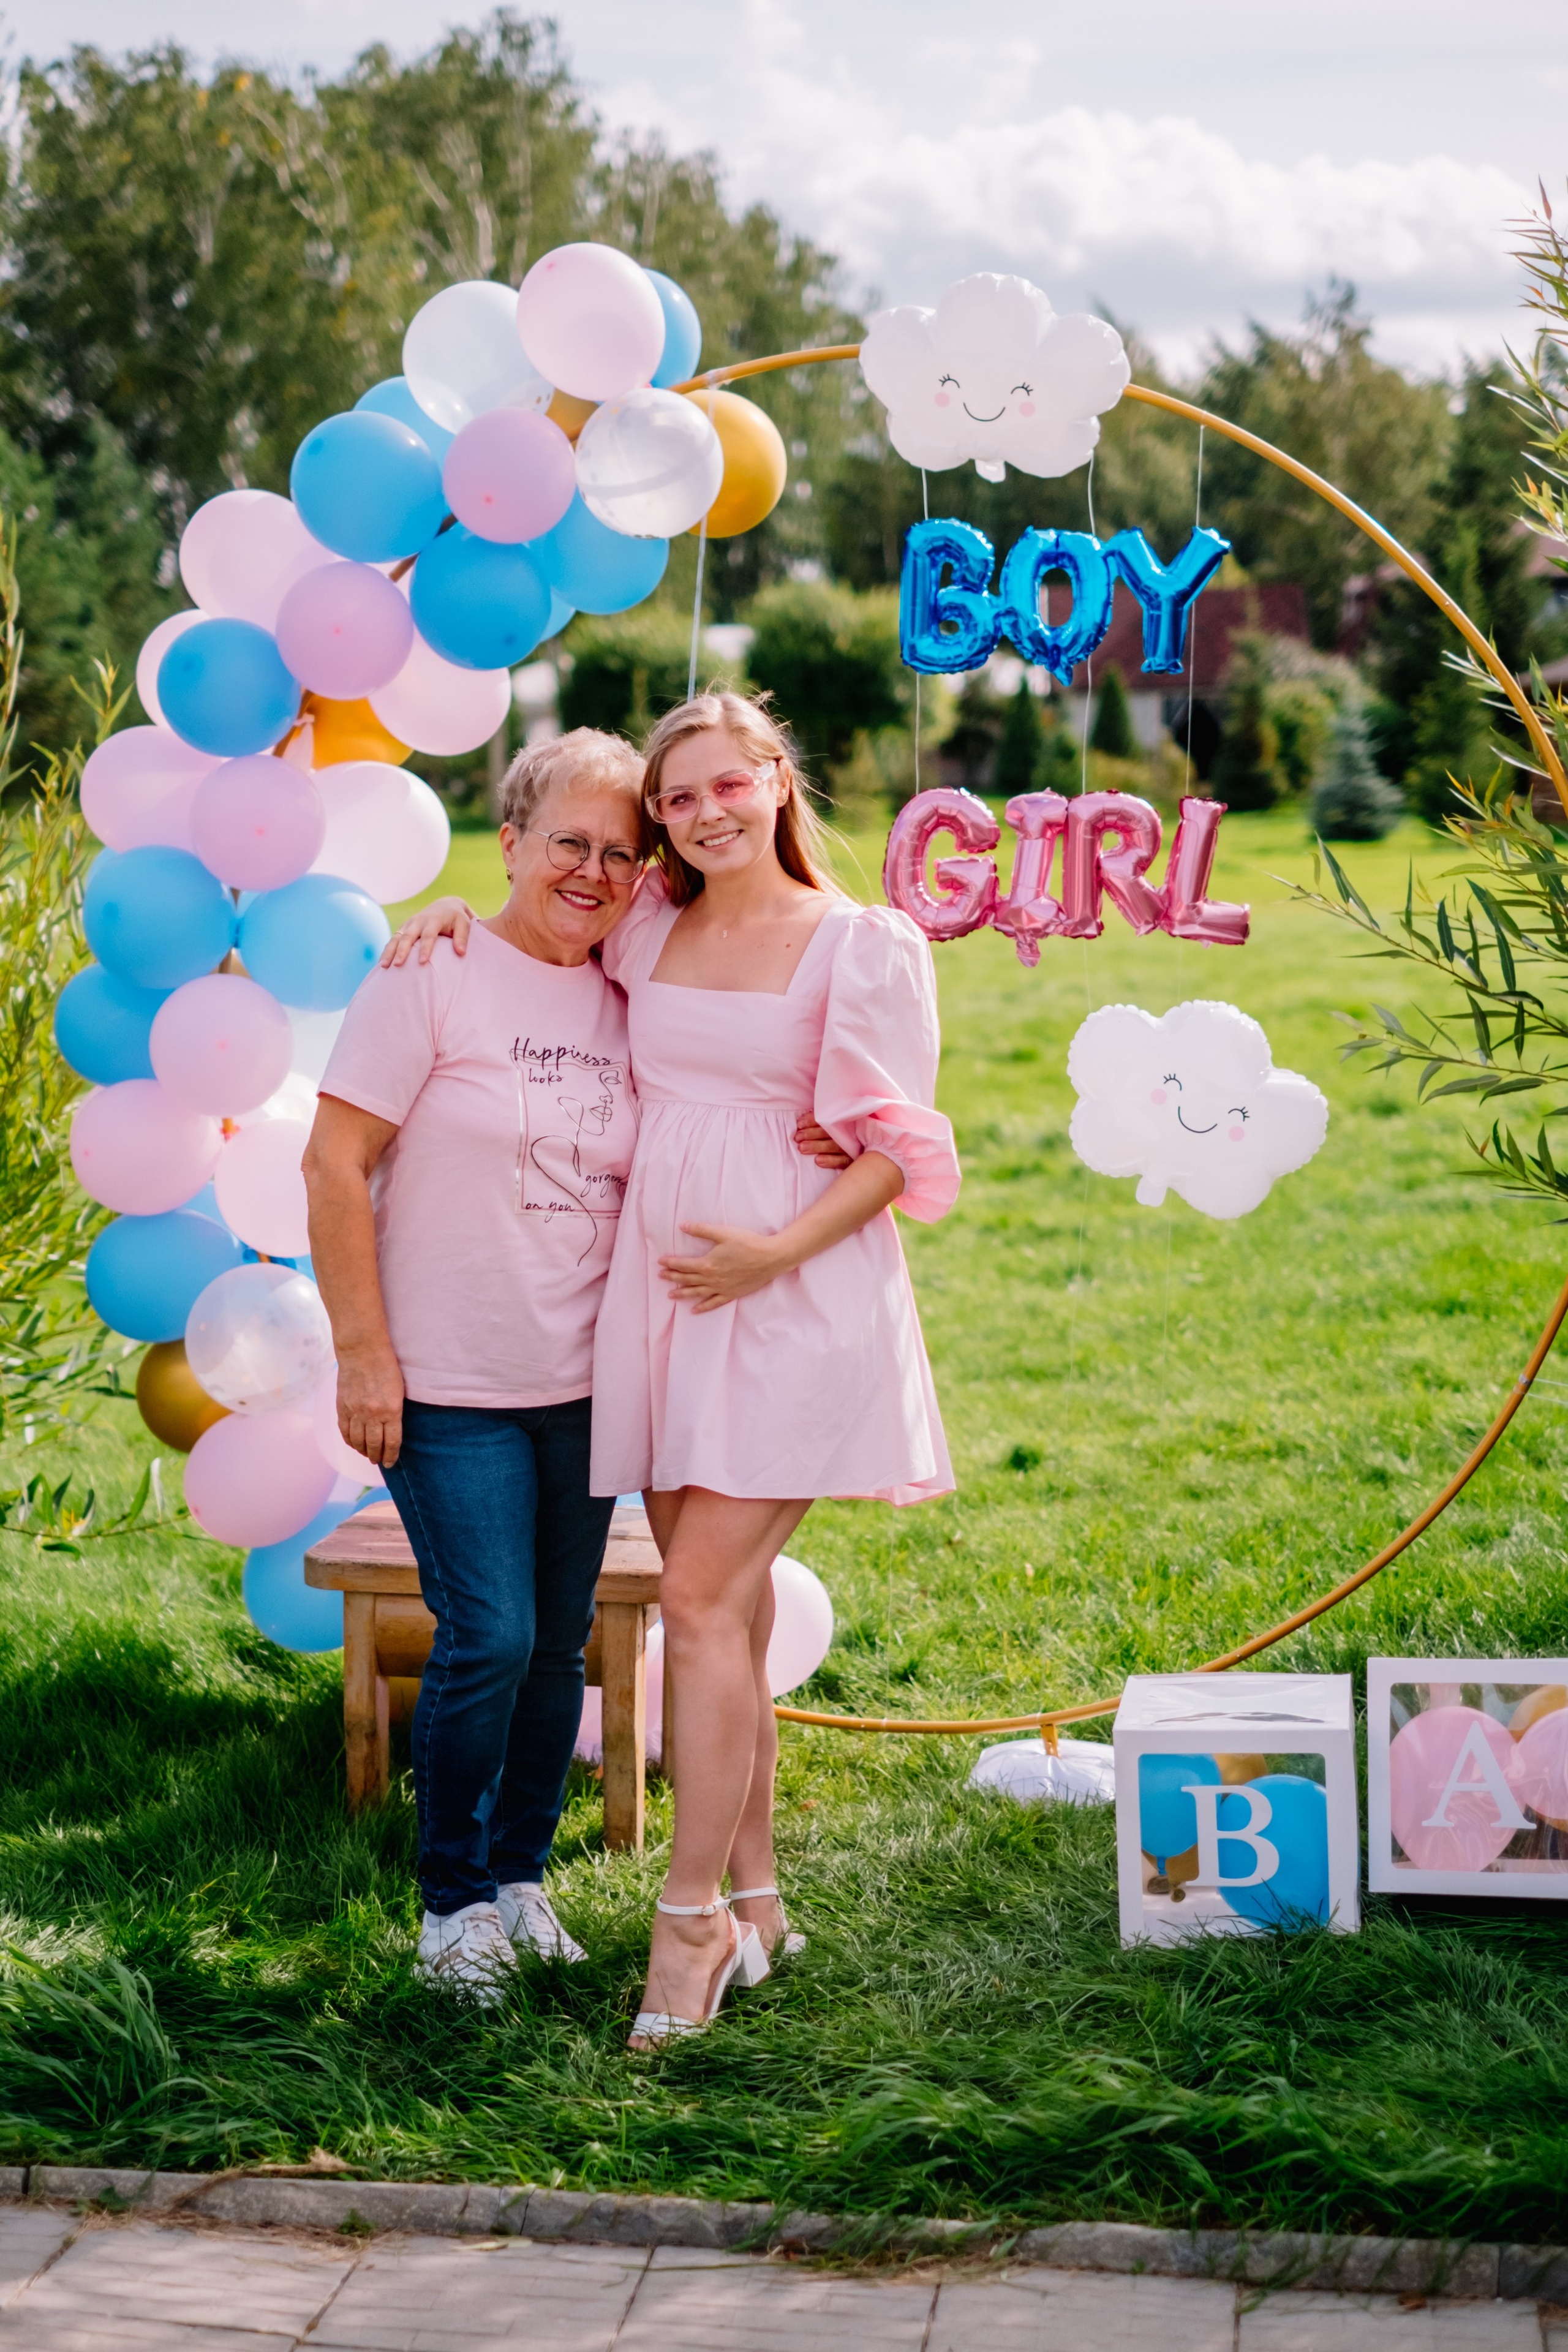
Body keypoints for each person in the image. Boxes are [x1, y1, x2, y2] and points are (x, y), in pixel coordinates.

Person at [396, 692, 959, 2046]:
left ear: (778, 778)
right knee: (740, 1619)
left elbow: (897, 1148)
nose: (705, 813)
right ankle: (759, 1900)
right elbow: (543, 940)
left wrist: (773, 1249)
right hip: (663, 1305)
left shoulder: (858, 944)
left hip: (792, 1291)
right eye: (679, 799)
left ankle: (689, 1920)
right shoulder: (649, 926)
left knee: (698, 1602)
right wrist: (444, 922)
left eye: (727, 785)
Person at [302, 729, 649, 2001]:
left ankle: (519, 1881)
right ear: (508, 840)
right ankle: (448, 1904)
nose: (593, 870)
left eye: (621, 853)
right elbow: (332, 1166)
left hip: (588, 1383)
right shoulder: (430, 973)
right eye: (568, 842)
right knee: (491, 1635)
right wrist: (361, 1353)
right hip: (444, 1384)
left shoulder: (634, 982)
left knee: (558, 1646)